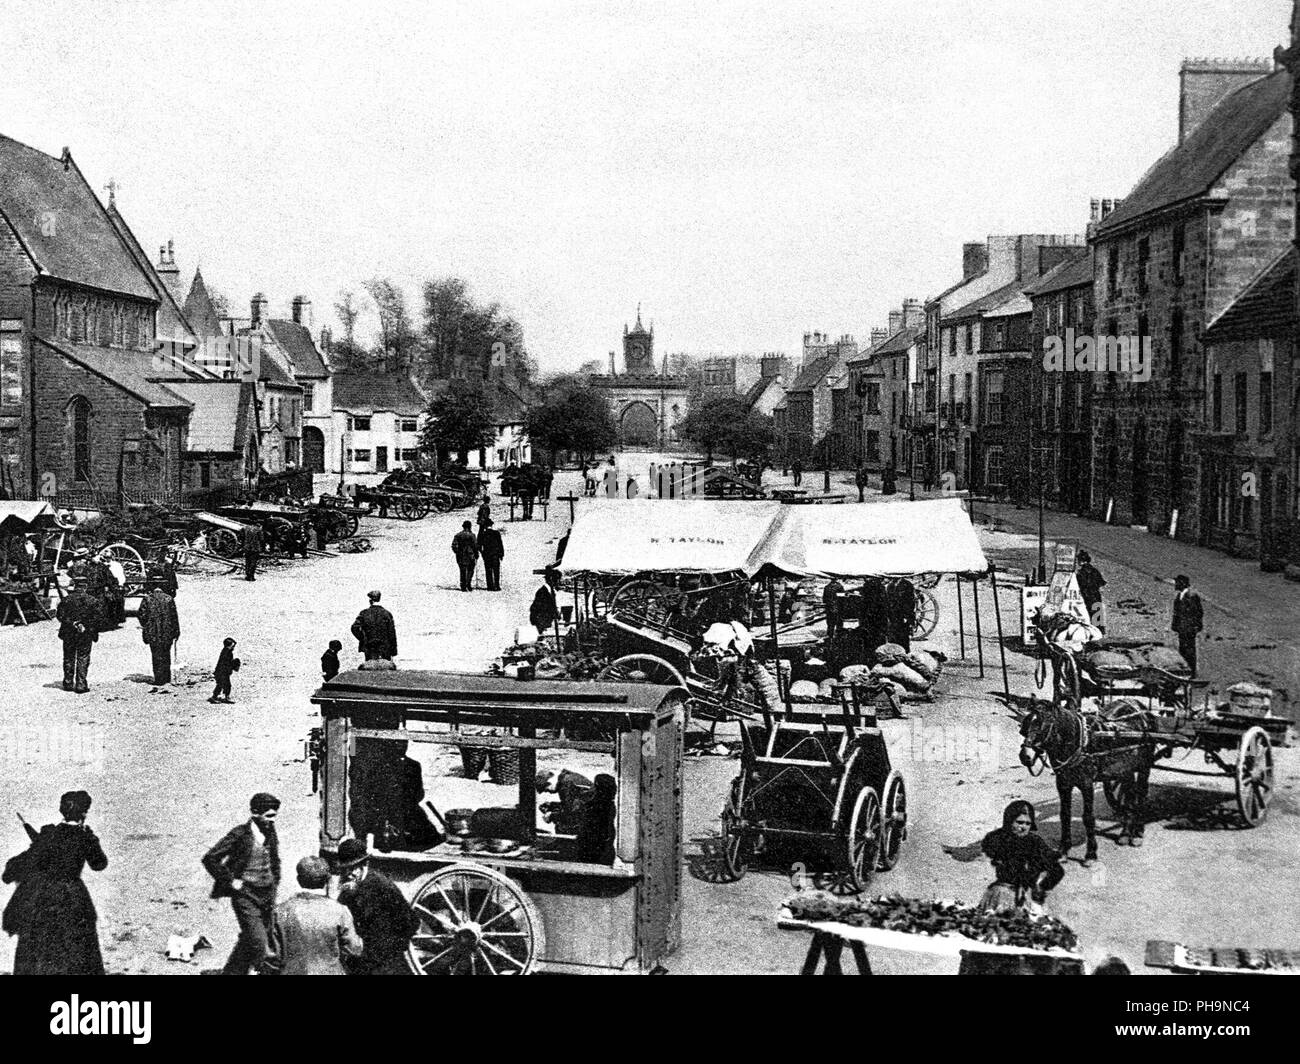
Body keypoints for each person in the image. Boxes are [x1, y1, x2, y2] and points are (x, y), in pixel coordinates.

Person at [2, 790, 107, 975]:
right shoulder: (85, 837)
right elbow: (99, 864)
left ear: (62, 811)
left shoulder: (49, 834)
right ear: (84, 812)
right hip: (74, 897)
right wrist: (92, 840)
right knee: (77, 949)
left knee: (42, 948)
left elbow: (27, 862)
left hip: (45, 897)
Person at [202, 792, 282, 976]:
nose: (273, 820)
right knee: (261, 944)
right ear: (255, 813)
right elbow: (210, 858)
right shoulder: (240, 834)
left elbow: (274, 859)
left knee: (251, 937)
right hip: (246, 896)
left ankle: (231, 972)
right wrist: (230, 880)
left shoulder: (270, 830)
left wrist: (274, 881)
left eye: (275, 816)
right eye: (269, 816)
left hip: (267, 894)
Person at [263, 856, 362, 976]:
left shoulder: (280, 912)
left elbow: (271, 957)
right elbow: (354, 949)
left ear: (299, 880)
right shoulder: (339, 911)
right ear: (327, 880)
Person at [335, 839, 418, 975]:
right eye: (345, 869)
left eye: (352, 868)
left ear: (364, 864)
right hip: (362, 959)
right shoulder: (348, 889)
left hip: (385, 961)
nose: (348, 874)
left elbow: (411, 922)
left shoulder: (382, 886)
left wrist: (389, 951)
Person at [979, 800, 1064, 915]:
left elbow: (1056, 869)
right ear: (1009, 821)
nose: (1023, 827)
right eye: (1019, 822)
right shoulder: (997, 839)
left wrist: (1041, 887)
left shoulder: (1035, 841)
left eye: (1028, 824)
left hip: (1025, 896)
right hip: (1002, 894)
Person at [56, 576, 102, 694]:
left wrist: (73, 623)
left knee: (68, 656)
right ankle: (81, 684)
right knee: (83, 657)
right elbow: (98, 618)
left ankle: (68, 682)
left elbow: (60, 616)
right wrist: (84, 624)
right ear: (85, 587)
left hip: (69, 632)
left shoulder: (66, 600)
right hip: (85, 633)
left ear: (75, 586)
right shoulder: (92, 601)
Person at [138, 584, 180, 686]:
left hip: (152, 633)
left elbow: (141, 615)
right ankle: (166, 678)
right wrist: (176, 631)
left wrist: (146, 626)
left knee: (156, 655)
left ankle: (159, 679)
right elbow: (174, 617)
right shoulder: (169, 599)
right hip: (167, 632)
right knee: (166, 654)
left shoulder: (147, 599)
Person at [536, 769, 595, 835]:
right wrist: (552, 806)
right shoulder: (566, 778)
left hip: (589, 820)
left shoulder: (566, 784)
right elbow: (573, 805)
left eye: (546, 789)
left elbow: (573, 813)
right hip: (590, 813)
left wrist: (552, 816)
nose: (549, 792)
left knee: (561, 826)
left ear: (549, 781)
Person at [574, 774, 617, 864]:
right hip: (601, 850)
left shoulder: (595, 807)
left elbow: (587, 831)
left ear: (599, 789)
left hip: (591, 851)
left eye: (595, 786)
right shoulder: (609, 805)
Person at [1171, 574, 1203, 677]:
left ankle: (1192, 672)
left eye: (1177, 582)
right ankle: (1186, 671)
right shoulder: (1179, 596)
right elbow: (1177, 613)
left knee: (1190, 651)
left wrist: (1195, 627)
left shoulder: (1192, 596)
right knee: (1183, 650)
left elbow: (1198, 612)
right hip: (1182, 629)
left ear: (1183, 583)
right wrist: (1175, 625)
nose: (1175, 584)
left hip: (1189, 629)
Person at [352, 590, 398, 660]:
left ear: (370, 601)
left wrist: (363, 639)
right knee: (385, 665)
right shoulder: (387, 614)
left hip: (369, 646)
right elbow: (392, 633)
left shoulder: (364, 613)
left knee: (370, 665)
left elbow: (354, 628)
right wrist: (393, 651)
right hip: (385, 648)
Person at [1075, 550, 1107, 631]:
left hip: (1086, 596)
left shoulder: (1081, 572)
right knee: (1097, 617)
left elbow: (1079, 584)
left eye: (1078, 560)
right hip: (1096, 595)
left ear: (1082, 560)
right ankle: (1099, 631)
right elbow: (1101, 582)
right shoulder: (1094, 570)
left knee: (1088, 615)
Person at [886, 577, 916, 652]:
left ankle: (905, 652)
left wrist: (908, 617)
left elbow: (910, 602)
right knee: (892, 636)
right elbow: (888, 600)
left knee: (903, 636)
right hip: (893, 615)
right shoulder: (890, 585)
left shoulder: (907, 584)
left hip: (903, 615)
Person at [209, 637, 241, 703]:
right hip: (222, 672)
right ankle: (218, 697)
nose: (233, 647)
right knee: (224, 685)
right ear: (228, 646)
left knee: (222, 685)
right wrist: (234, 664)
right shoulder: (227, 653)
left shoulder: (227, 652)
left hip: (222, 672)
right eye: (232, 646)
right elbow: (226, 664)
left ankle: (219, 697)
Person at [477, 517, 505, 591]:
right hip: (496, 554)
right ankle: (497, 586)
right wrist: (501, 554)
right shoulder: (496, 533)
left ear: (485, 526)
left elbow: (479, 545)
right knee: (496, 570)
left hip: (487, 554)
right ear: (491, 525)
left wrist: (482, 553)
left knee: (488, 570)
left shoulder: (483, 534)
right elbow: (500, 544)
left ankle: (490, 586)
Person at [452, 521, 479, 592]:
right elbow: (475, 546)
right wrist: (476, 554)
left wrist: (457, 552)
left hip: (461, 556)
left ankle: (463, 586)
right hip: (470, 555)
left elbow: (454, 545)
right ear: (470, 527)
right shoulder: (472, 535)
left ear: (463, 527)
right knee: (470, 570)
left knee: (463, 571)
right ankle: (468, 585)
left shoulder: (458, 535)